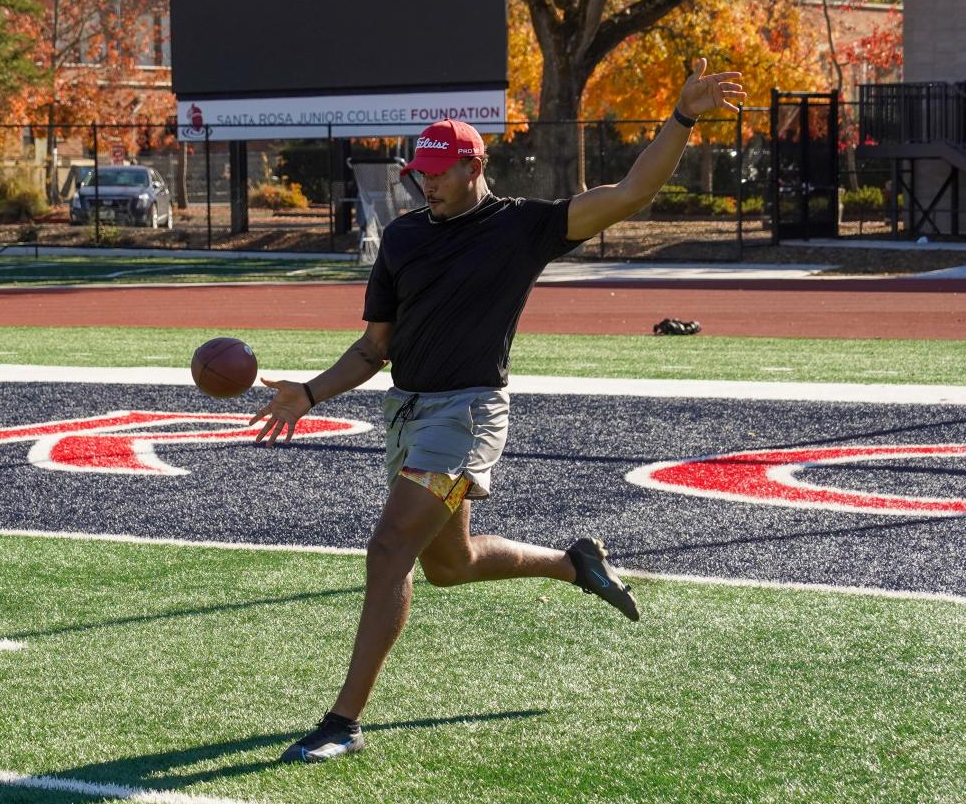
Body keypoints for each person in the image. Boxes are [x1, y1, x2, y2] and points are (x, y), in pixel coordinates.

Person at [250, 58, 745, 764]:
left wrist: (682, 118)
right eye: (418, 172)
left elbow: (632, 191)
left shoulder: (523, 228)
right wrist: (308, 392)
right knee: (449, 565)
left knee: (388, 549)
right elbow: (373, 348)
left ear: (475, 165)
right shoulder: (403, 237)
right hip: (407, 412)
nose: (425, 183)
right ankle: (573, 564)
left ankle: (342, 721)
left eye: (440, 172)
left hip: (468, 412)